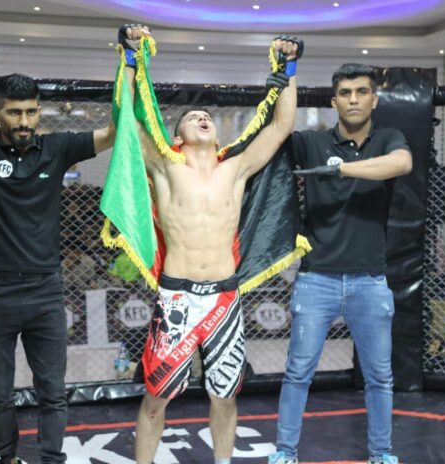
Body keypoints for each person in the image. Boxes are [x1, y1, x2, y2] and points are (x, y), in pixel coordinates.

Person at [0, 27, 119, 464]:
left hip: (47, 289)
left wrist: (132, 66)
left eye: (31, 111)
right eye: (14, 113)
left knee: (53, 391)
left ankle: (51, 460)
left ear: (39, 111)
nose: (25, 121)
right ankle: (7, 458)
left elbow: (113, 131)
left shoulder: (57, 147)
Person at [118, 26, 303, 464]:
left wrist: (290, 67)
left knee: (225, 396)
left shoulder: (235, 169)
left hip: (224, 296)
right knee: (156, 398)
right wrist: (129, 57)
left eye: (207, 116)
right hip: (177, 296)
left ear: (218, 137)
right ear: (178, 137)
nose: (202, 117)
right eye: (192, 117)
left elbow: (282, 125)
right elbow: (127, 117)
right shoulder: (165, 167)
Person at [269, 63, 413, 464]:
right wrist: (288, 72)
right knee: (298, 372)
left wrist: (341, 168)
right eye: (345, 93)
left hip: (370, 280)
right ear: (334, 101)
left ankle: (381, 454)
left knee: (380, 377)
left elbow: (402, 164)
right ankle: (285, 453)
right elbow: (280, 127)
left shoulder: (388, 138)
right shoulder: (313, 142)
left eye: (361, 92)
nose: (353, 100)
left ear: (374, 99)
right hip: (317, 279)